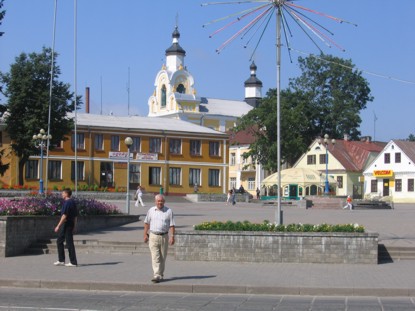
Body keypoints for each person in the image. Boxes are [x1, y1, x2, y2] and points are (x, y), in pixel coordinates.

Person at [143, 194, 175, 283]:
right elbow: (146, 223)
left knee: (163, 257)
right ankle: (156, 275)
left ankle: (160, 274)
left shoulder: (169, 211)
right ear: (155, 202)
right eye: (158, 201)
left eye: (161, 201)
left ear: (164, 202)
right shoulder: (151, 210)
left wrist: (172, 237)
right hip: (153, 236)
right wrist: (145, 234)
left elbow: (172, 225)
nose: (160, 202)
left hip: (164, 236)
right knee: (155, 256)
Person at [54, 188, 78, 267]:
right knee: (60, 240)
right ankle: (61, 260)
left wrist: (58, 226)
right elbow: (75, 216)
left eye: (63, 193)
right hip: (70, 224)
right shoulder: (73, 202)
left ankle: (73, 262)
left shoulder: (67, 203)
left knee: (69, 243)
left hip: (67, 224)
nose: (62, 194)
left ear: (67, 194)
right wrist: (74, 226)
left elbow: (64, 216)